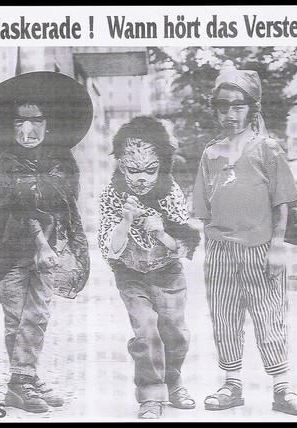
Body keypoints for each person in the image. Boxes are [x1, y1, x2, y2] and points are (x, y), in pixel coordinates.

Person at [0, 71, 93, 413]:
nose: (28, 130)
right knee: (18, 315)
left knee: (37, 312)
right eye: (20, 121)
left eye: (36, 120)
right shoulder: (6, 163)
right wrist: (39, 242)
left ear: (48, 124)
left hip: (46, 251)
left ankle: (24, 379)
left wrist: (53, 245)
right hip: (6, 252)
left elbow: (62, 210)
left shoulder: (61, 163)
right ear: (11, 127)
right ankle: (22, 381)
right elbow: (19, 211)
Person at [192, 68, 297, 416]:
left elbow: (282, 203)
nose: (230, 114)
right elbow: (204, 209)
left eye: (238, 106)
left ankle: (283, 389)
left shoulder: (268, 149)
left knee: (269, 315)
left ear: (253, 108)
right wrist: (211, 248)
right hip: (220, 250)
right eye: (222, 106)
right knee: (225, 314)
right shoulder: (209, 153)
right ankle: (231, 384)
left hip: (260, 248)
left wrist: (277, 245)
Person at [97, 116, 201, 419]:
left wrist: (162, 232)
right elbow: (110, 249)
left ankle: (174, 379)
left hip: (167, 272)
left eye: (150, 170)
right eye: (132, 170)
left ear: (162, 164)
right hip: (130, 273)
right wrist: (126, 222)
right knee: (146, 332)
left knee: (175, 333)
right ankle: (151, 393)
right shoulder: (111, 196)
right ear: (119, 163)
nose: (141, 178)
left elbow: (183, 245)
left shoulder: (170, 193)